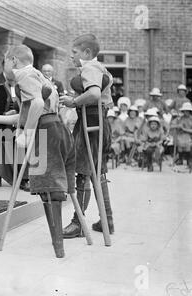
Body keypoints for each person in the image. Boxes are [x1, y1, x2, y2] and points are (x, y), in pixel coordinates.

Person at [0, 45, 75, 258]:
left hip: (46, 133)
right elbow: (28, 113)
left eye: (5, 62)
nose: (5, 66)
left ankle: (59, 247)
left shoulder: (23, 75)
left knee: (49, 187)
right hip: (58, 129)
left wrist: (28, 133)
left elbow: (38, 105)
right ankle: (57, 243)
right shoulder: (40, 76)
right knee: (50, 187)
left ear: (13, 60)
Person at [59, 34, 115, 237]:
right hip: (99, 122)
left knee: (83, 173)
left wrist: (73, 102)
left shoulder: (90, 67)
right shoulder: (100, 67)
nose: (71, 57)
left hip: (91, 125)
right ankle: (107, 220)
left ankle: (78, 223)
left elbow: (94, 94)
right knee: (98, 173)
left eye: (74, 53)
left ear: (87, 52)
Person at [172, 102, 192, 169]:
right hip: (180, 135)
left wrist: (184, 129)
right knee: (180, 143)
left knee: (187, 145)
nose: (186, 112)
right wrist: (178, 126)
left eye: (187, 111)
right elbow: (172, 125)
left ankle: (189, 160)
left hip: (189, 135)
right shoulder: (179, 118)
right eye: (185, 111)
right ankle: (180, 159)